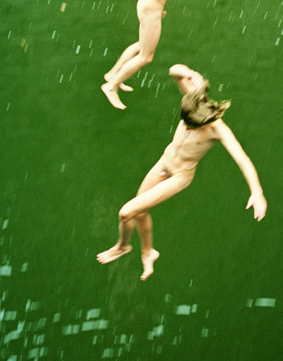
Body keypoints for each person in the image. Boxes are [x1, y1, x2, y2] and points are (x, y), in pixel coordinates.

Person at [97, 64, 267, 280]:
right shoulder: (194, 101)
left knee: (125, 212)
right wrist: (189, 74)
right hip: (164, 163)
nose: (185, 127)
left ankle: (123, 246)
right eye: (184, 123)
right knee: (140, 213)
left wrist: (257, 192)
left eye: (191, 126)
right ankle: (149, 252)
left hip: (179, 176)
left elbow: (243, 160)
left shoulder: (218, 129)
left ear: (204, 121)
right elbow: (173, 71)